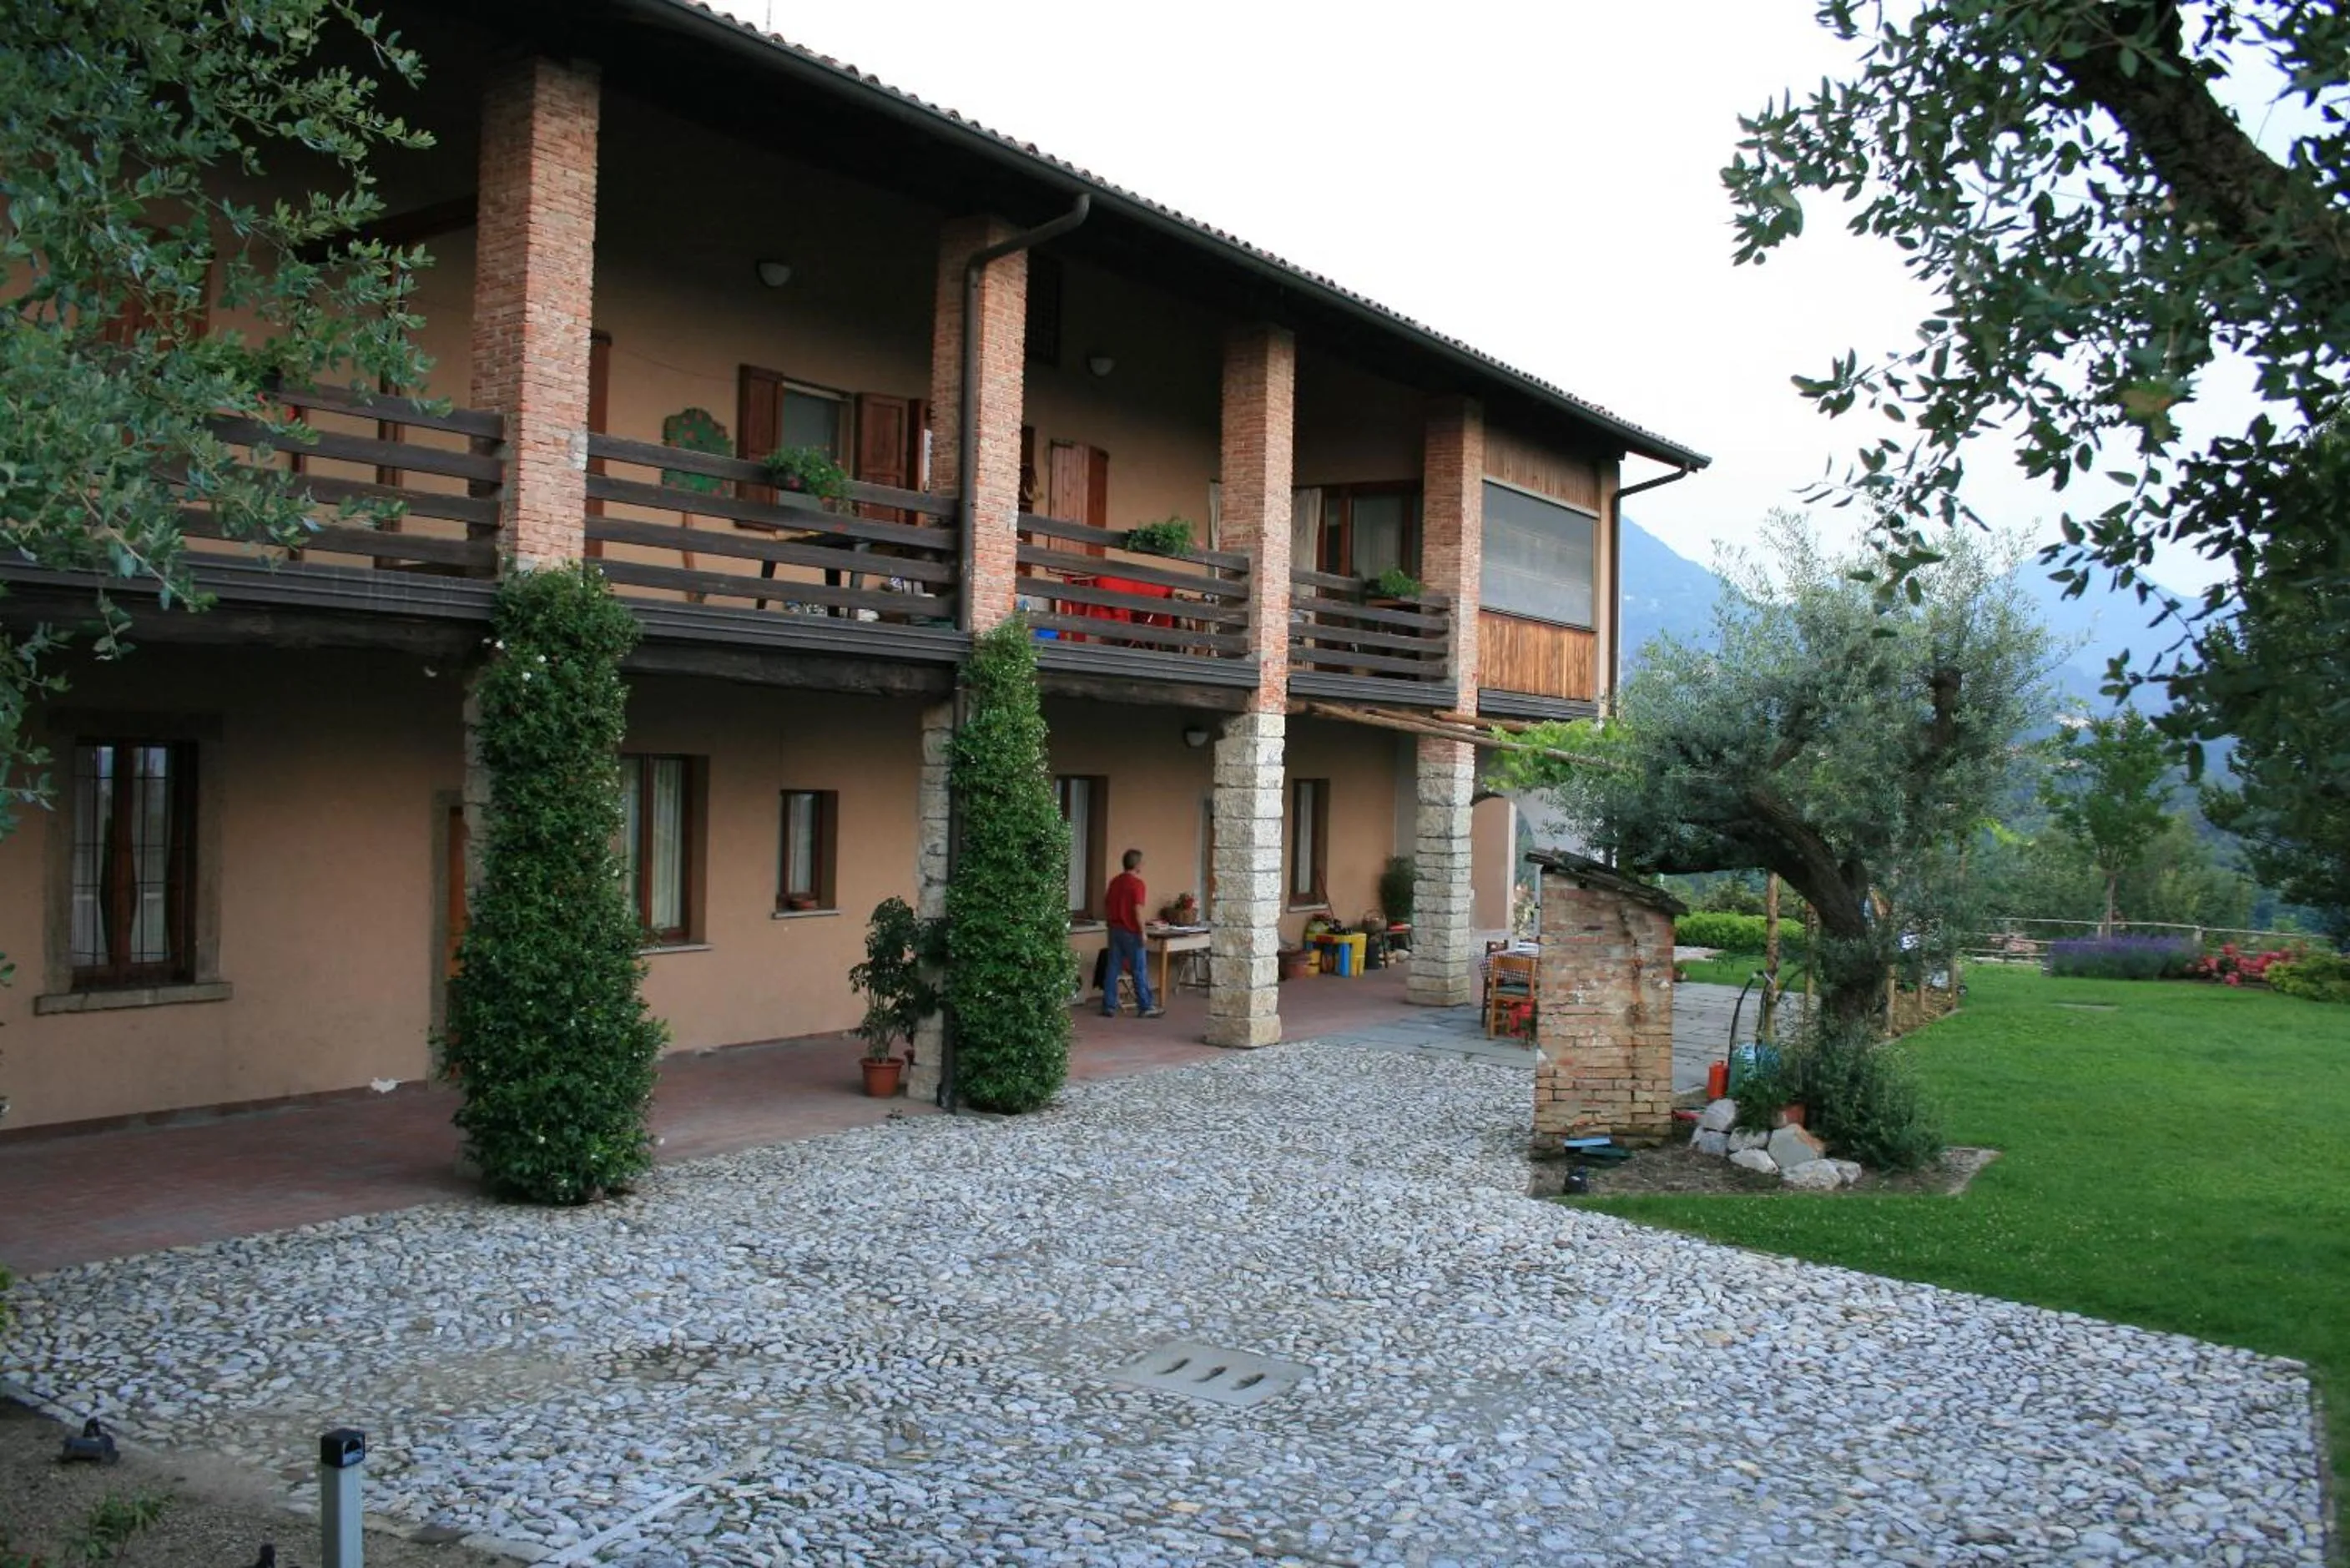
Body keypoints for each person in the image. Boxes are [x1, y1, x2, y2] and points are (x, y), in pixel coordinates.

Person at [1102, 848, 1163, 1019]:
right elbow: (1137, 910)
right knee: (1139, 969)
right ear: (1137, 864)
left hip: (1115, 929)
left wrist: (1110, 923)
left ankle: (1109, 1005)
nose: (1143, 865)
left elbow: (1106, 904)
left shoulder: (1115, 882)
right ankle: (1145, 1005)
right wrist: (1143, 932)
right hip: (1131, 931)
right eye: (1142, 862)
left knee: (1112, 968)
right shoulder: (1137, 884)